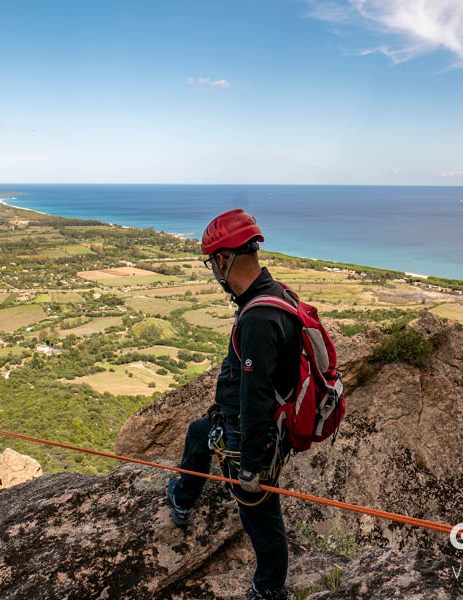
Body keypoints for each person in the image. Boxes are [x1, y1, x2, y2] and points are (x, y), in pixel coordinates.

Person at [167, 209, 300, 600]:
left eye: (213, 264)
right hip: (236, 420)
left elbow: (256, 397)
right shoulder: (273, 294)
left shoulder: (258, 318)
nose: (213, 271)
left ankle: (269, 588)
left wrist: (251, 466)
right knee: (198, 433)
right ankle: (184, 497)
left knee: (259, 515)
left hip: (249, 434)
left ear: (223, 260)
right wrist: (218, 410)